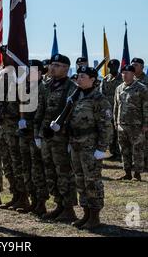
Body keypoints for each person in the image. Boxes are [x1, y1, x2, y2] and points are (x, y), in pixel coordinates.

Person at [68, 66, 113, 229]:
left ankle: (95, 216)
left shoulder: (99, 99)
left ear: (93, 79)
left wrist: (101, 148)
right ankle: (85, 213)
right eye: (78, 76)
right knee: (80, 179)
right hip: (75, 143)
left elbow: (106, 126)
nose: (78, 79)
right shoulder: (76, 97)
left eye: (83, 76)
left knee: (92, 180)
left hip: (91, 146)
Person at [34, 54, 78, 223]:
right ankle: (59, 204)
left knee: (64, 173)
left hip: (61, 138)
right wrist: (38, 132)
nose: (52, 68)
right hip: (46, 136)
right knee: (50, 171)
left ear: (66, 69)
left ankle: (68, 208)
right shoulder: (46, 86)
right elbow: (40, 111)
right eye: (51, 64)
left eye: (57, 65)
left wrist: (68, 137)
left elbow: (74, 115)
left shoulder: (72, 88)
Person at [0, 45, 29, 211]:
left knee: (17, 162)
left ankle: (23, 197)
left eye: (6, 54)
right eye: (2, 54)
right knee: (7, 163)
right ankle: (15, 195)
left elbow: (22, 100)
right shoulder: (1, 74)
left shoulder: (20, 75)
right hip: (3, 125)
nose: (3, 57)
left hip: (14, 124)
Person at [18, 60, 49, 216]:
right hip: (24, 133)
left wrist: (37, 132)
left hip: (35, 133)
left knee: (38, 169)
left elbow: (44, 113)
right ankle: (33, 200)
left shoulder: (43, 88)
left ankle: (41, 203)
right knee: (26, 168)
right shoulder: (26, 86)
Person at [114, 65, 148, 181]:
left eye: (127, 73)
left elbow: (146, 107)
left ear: (133, 74)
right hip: (121, 125)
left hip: (136, 126)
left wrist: (145, 124)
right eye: (123, 73)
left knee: (137, 150)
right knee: (124, 150)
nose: (124, 75)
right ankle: (127, 172)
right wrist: (115, 122)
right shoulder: (119, 88)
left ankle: (137, 174)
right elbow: (116, 107)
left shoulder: (142, 88)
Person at [100, 59, 123, 159]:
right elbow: (101, 94)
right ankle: (112, 152)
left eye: (114, 66)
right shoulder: (105, 79)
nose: (111, 68)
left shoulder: (122, 79)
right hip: (108, 110)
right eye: (110, 67)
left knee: (118, 131)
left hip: (119, 109)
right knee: (110, 131)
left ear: (118, 67)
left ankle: (119, 152)